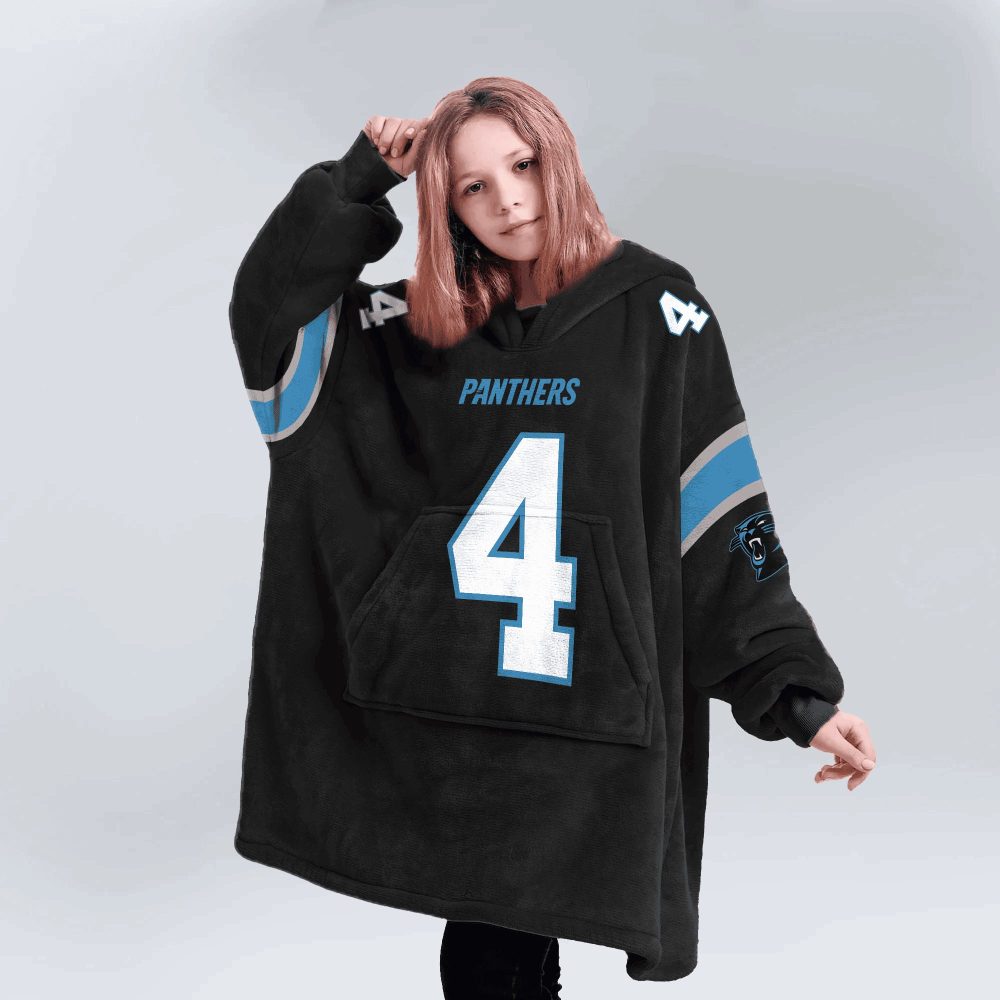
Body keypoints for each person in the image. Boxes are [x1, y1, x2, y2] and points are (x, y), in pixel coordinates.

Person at [228, 76, 877, 997]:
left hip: (589, 718)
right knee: (491, 955)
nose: (508, 200)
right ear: (447, 207)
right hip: (459, 719)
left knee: (503, 956)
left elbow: (720, 518)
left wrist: (799, 697)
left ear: (557, 157)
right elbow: (270, 322)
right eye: (473, 186)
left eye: (522, 165)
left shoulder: (661, 315)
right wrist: (355, 182)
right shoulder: (411, 329)